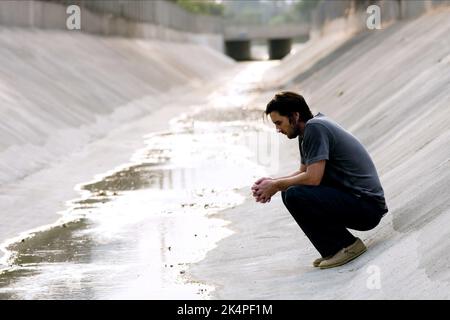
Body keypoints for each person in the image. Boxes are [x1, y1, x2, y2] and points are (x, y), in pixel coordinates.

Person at [252, 91, 388, 269]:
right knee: (289, 191)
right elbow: (303, 172)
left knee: (295, 193)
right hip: (356, 202)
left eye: (279, 123)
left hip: (367, 206)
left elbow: (313, 178)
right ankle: (333, 250)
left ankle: (347, 245)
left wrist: (276, 185)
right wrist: (273, 183)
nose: (278, 129)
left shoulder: (316, 128)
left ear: (294, 115)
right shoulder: (307, 132)